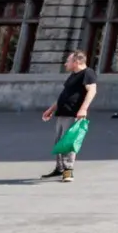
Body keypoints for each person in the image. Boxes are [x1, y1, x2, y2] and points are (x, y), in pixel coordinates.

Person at [42, 51, 97, 182]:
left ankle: (68, 171)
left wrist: (83, 109)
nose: (66, 64)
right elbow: (65, 94)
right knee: (59, 142)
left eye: (68, 61)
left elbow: (92, 90)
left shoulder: (87, 73)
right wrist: (51, 109)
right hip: (63, 112)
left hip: (74, 113)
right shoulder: (73, 75)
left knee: (68, 142)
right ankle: (59, 168)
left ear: (76, 62)